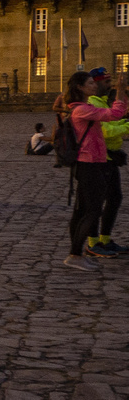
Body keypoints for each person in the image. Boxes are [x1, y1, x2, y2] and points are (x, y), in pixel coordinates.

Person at [63, 69, 128, 270]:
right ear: (80, 87)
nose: (94, 85)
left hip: (93, 162)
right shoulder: (82, 109)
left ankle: (76, 253)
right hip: (89, 164)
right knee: (91, 211)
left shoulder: (83, 107)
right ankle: (75, 254)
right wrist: (122, 91)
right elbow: (115, 113)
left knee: (83, 210)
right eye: (90, 82)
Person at [81, 67, 127, 260]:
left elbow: (112, 122)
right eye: (107, 83)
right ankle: (92, 243)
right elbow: (106, 131)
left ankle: (105, 239)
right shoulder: (91, 103)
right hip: (98, 159)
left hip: (108, 158)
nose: (109, 86)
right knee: (96, 202)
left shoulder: (100, 102)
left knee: (114, 198)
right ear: (97, 83)